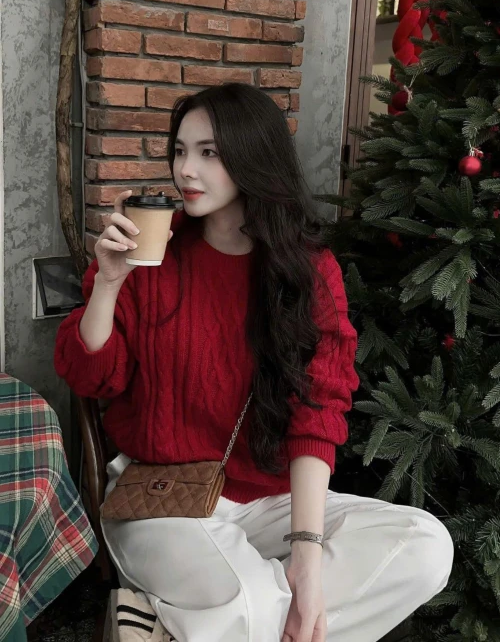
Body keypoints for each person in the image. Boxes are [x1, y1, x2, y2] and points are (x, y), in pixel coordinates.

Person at [55, 83, 453, 642]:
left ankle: (170, 625)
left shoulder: (308, 271)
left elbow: (318, 412)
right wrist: (109, 284)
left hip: (268, 501)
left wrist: (306, 560)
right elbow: (90, 376)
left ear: (253, 158)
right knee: (250, 599)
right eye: (180, 150)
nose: (185, 170)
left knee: (425, 546)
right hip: (161, 498)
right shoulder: (150, 254)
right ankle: (221, 617)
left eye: (209, 153)